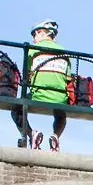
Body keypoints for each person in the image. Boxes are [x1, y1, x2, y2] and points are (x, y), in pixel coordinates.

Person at [24, 21, 70, 151]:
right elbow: (68, 79)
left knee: (16, 109)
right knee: (61, 114)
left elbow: (26, 76)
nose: (33, 39)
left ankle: (31, 134)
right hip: (60, 98)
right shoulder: (65, 53)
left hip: (38, 95)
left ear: (41, 33)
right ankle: (55, 136)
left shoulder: (33, 50)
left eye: (35, 35)